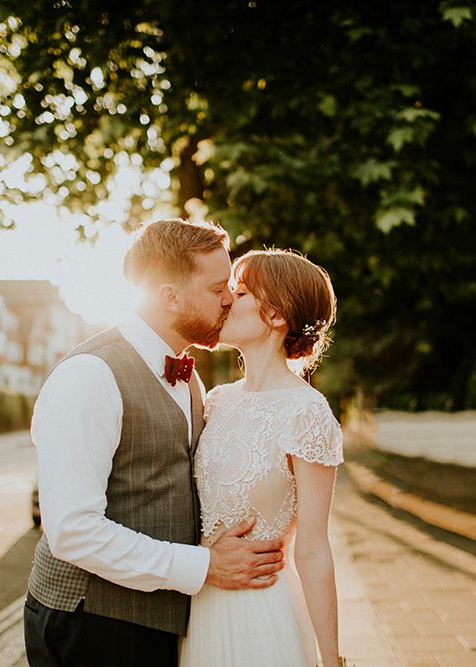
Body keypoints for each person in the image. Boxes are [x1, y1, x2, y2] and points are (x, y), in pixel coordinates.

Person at [24, 219, 287, 667]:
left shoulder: (190, 378)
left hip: (161, 625)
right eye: (217, 287)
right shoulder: (91, 375)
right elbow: (71, 530)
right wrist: (203, 567)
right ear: (170, 296)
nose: (229, 299)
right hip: (90, 625)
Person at [179, 249, 345, 667]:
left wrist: (331, 659)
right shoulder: (215, 401)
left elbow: (313, 549)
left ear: (276, 315)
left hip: (261, 618)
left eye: (241, 290)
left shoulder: (306, 412)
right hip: (199, 610)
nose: (227, 299)